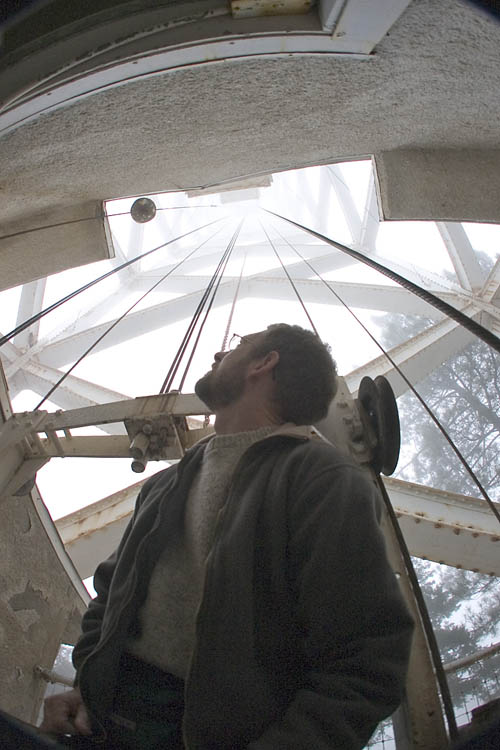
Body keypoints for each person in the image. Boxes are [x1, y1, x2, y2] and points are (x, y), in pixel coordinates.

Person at [41, 323, 414, 749]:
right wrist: (88, 685)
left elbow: (366, 657)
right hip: (102, 722)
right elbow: (109, 595)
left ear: (265, 362)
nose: (219, 356)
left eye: (239, 344)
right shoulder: (166, 485)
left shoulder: (325, 482)